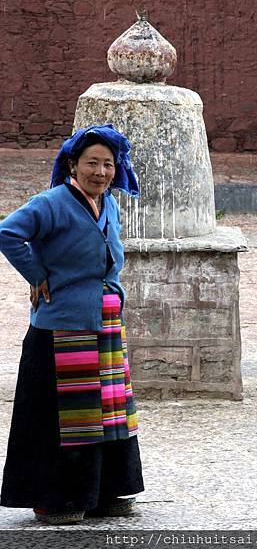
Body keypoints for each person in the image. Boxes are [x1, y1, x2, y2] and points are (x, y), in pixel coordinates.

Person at [0, 124, 144, 525]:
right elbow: (7, 233)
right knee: (63, 415)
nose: (100, 172)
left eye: (108, 165)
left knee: (108, 409)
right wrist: (36, 273)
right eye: (92, 163)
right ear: (72, 165)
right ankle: (55, 498)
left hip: (105, 320)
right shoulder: (50, 203)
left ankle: (104, 492)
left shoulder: (109, 203)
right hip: (61, 324)